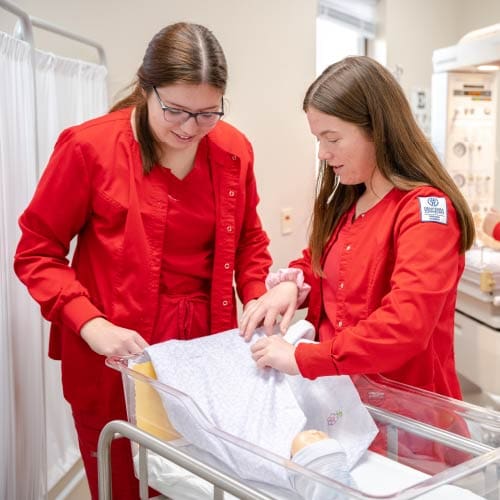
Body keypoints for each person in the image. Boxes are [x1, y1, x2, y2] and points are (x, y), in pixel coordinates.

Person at [14, 22, 272, 500]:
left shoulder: (233, 151)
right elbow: (37, 251)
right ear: (146, 88)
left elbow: (249, 242)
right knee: (124, 486)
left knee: (199, 485)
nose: (189, 128)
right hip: (115, 352)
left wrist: (257, 296)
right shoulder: (89, 148)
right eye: (174, 110)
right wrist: (89, 323)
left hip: (203, 354)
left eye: (207, 113)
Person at [240, 55, 475, 401]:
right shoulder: (350, 201)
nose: (322, 153)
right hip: (344, 399)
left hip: (404, 412)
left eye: (332, 139)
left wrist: (303, 357)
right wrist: (295, 284)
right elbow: (330, 267)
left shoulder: (425, 212)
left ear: (377, 131)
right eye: (318, 139)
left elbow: (404, 325)